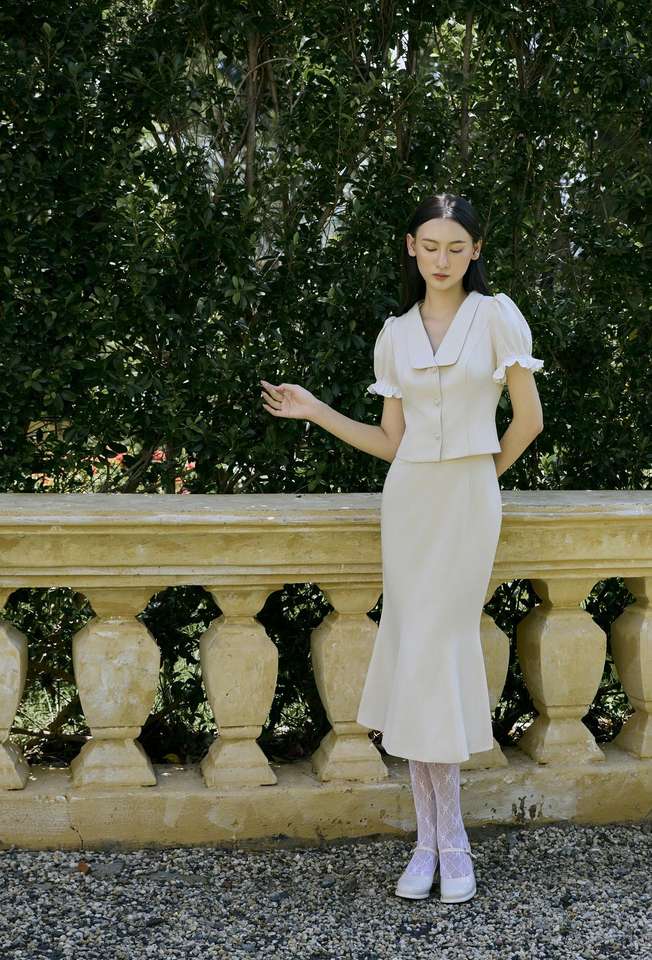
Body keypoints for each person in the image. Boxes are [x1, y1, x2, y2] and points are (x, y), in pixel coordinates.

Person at [259, 193, 544, 904]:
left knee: (442, 651)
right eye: (430, 246)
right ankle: (430, 840)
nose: (442, 260)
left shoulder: (496, 316)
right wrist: (316, 411)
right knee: (415, 653)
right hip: (409, 502)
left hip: (468, 502)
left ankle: (453, 839)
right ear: (412, 247)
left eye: (457, 248)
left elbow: (528, 421)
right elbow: (392, 441)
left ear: (475, 252)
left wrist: (481, 477)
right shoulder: (394, 333)